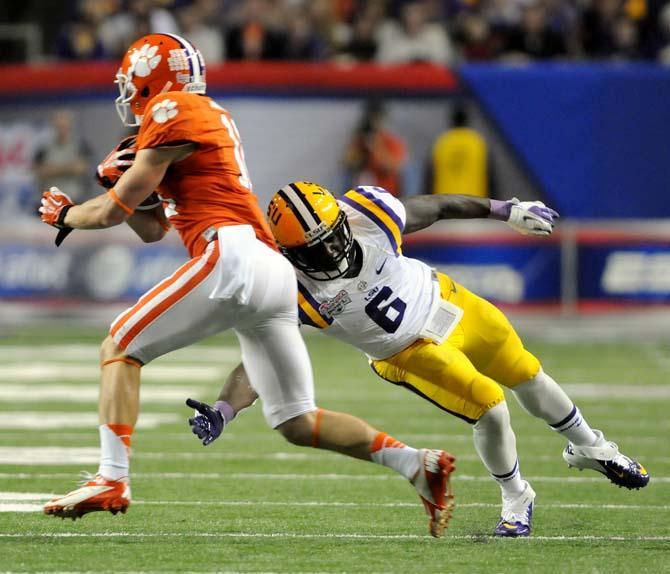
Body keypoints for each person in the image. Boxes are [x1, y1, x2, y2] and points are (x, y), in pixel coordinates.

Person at [38, 33, 456, 538]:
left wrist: (67, 213)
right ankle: (417, 464)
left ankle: (112, 479)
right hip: (270, 272)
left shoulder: (174, 106)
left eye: (132, 82)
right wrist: (124, 188)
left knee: (119, 347)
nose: (128, 93)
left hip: (230, 252)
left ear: (153, 77)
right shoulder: (189, 119)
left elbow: (110, 211)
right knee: (297, 421)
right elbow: (150, 228)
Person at [188, 181, 650, 538]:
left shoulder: (367, 213)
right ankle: (516, 494)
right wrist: (225, 408)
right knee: (491, 407)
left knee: (527, 373)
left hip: (449, 302)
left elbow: (438, 206)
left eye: (332, 237)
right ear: (290, 253)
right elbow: (262, 359)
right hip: (409, 353)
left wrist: (506, 209)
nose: (329, 251)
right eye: (314, 249)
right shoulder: (287, 287)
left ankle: (591, 447)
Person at [343, 99, 407, 197]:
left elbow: (392, 167)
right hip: (361, 197)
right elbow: (348, 162)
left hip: (386, 197)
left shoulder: (390, 142)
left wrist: (376, 147)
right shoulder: (360, 141)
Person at [425, 103, 490, 198]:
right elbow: (490, 180)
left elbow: (429, 180)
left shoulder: (441, 143)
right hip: (474, 204)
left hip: (445, 204)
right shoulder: (478, 143)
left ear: (451, 120)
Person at [34, 110, 92, 204]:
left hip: (74, 198)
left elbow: (81, 168)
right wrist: (68, 168)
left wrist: (54, 169)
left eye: (64, 126)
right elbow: (40, 171)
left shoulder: (80, 145)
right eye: (59, 127)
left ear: (70, 126)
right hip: (52, 200)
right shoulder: (44, 147)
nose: (61, 130)